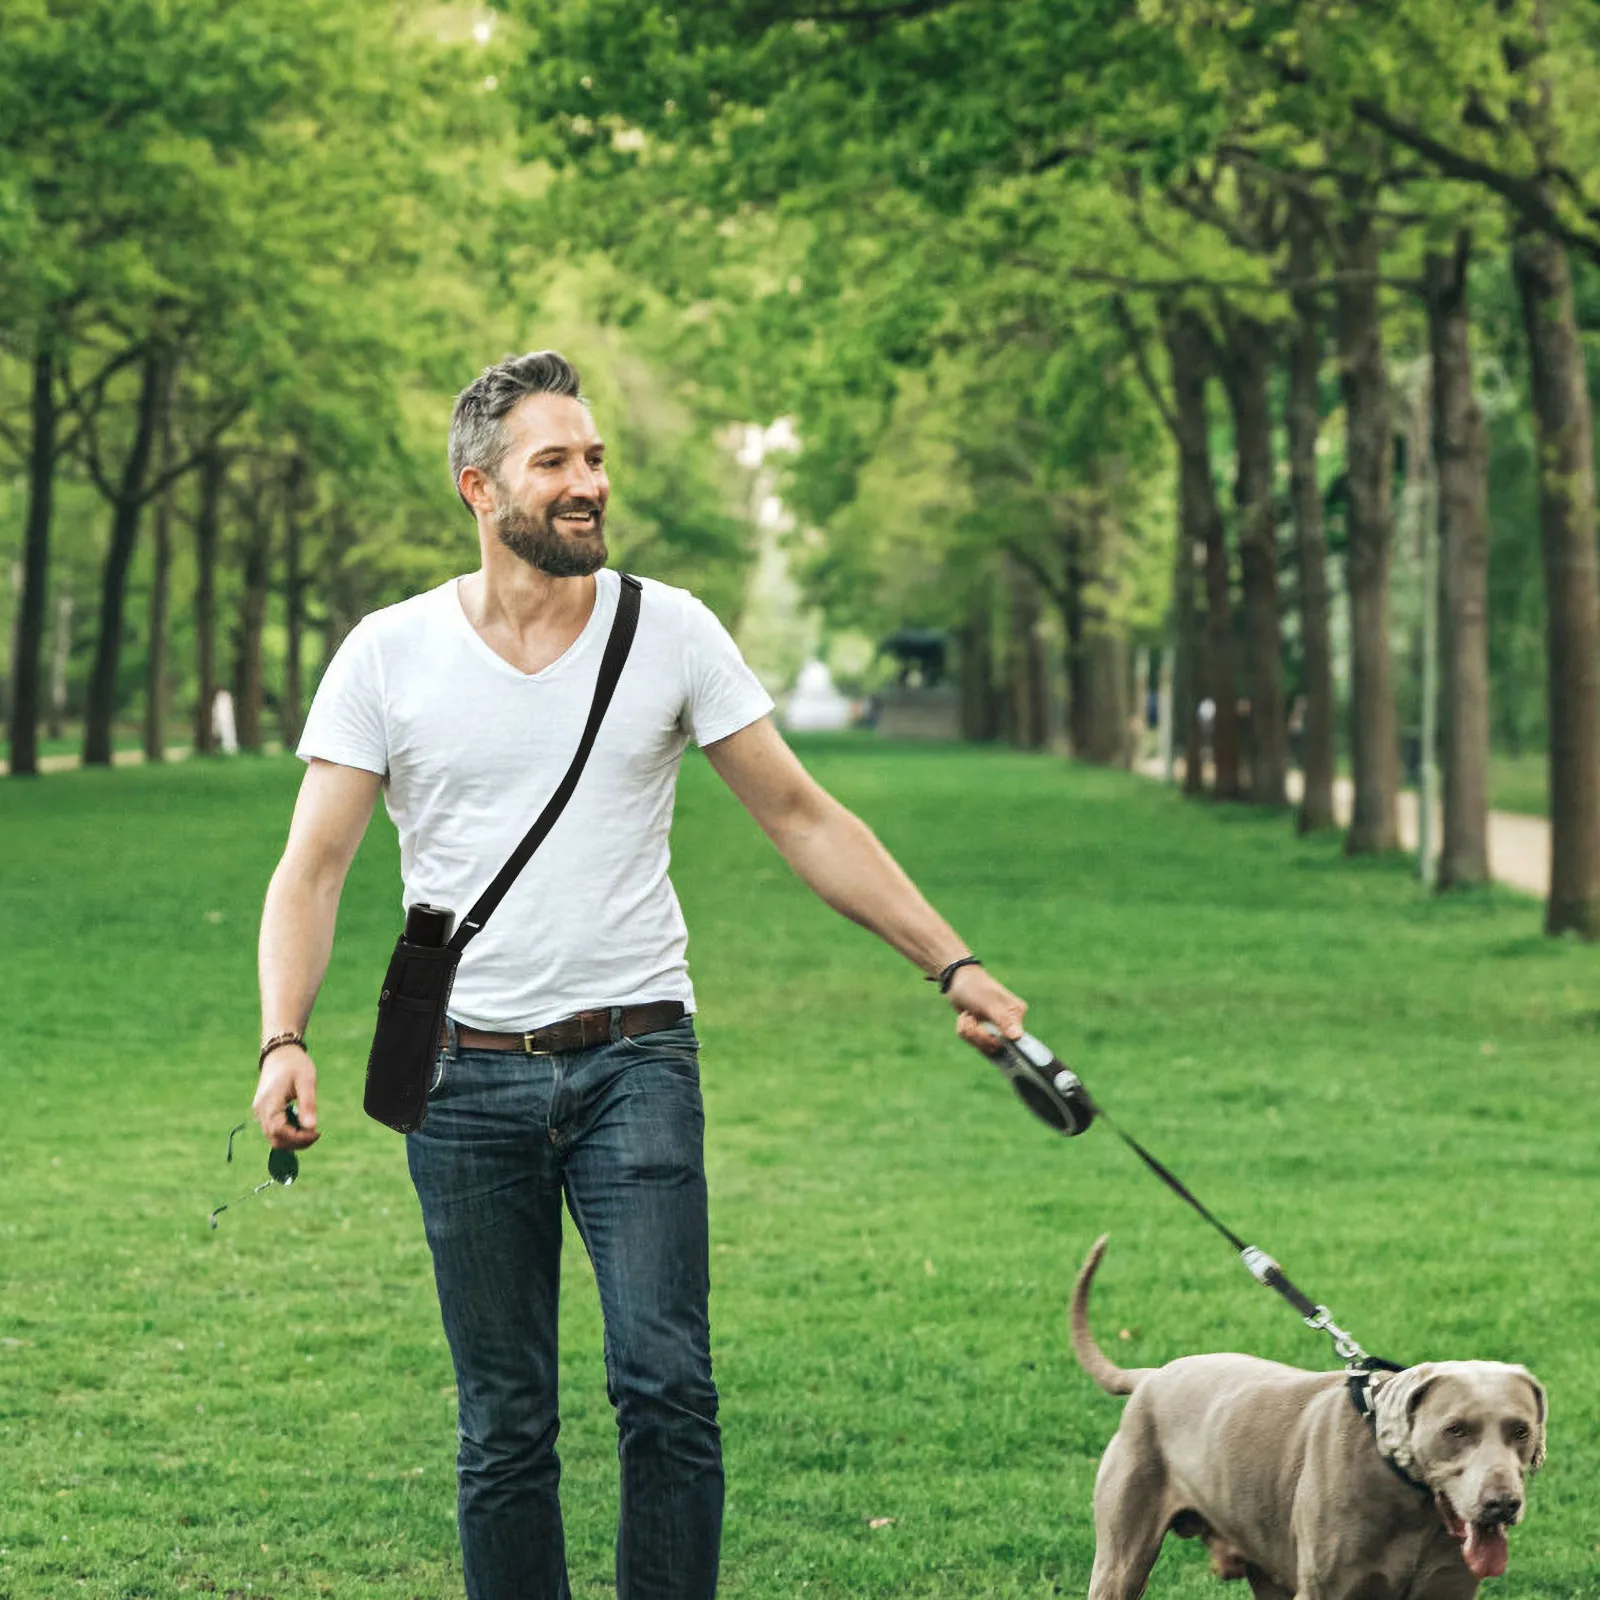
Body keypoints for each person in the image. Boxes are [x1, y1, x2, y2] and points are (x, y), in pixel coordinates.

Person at [252, 351, 1029, 1600]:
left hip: (636, 1060)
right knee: (505, 1421)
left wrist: (953, 961)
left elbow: (802, 815)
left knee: (668, 1389)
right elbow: (312, 869)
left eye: (596, 458)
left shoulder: (670, 631)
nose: (588, 483)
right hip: (462, 1080)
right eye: (554, 461)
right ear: (479, 489)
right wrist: (283, 1036)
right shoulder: (387, 654)